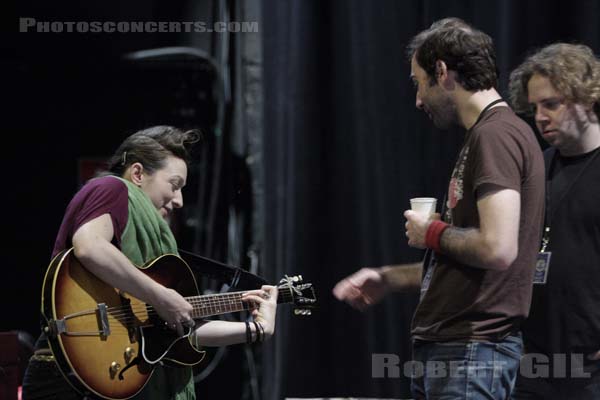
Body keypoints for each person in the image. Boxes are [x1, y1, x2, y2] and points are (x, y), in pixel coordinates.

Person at [333, 18, 545, 399]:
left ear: (442, 72)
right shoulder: (488, 134)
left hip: (471, 351)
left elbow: (497, 249)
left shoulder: (495, 134)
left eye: (419, 82)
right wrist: (389, 277)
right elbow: (470, 257)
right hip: (458, 350)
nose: (418, 99)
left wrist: (430, 231)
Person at [22, 126, 278, 400]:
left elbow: (177, 331)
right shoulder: (111, 187)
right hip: (72, 374)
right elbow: (89, 246)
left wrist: (254, 330)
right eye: (175, 184)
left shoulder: (148, 272)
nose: (179, 201)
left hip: (107, 378)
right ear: (138, 174)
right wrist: (161, 296)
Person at [508, 43, 600, 399]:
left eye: (552, 104)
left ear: (588, 97)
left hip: (591, 367)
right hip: (533, 362)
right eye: (534, 108)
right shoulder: (535, 168)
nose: (540, 117)